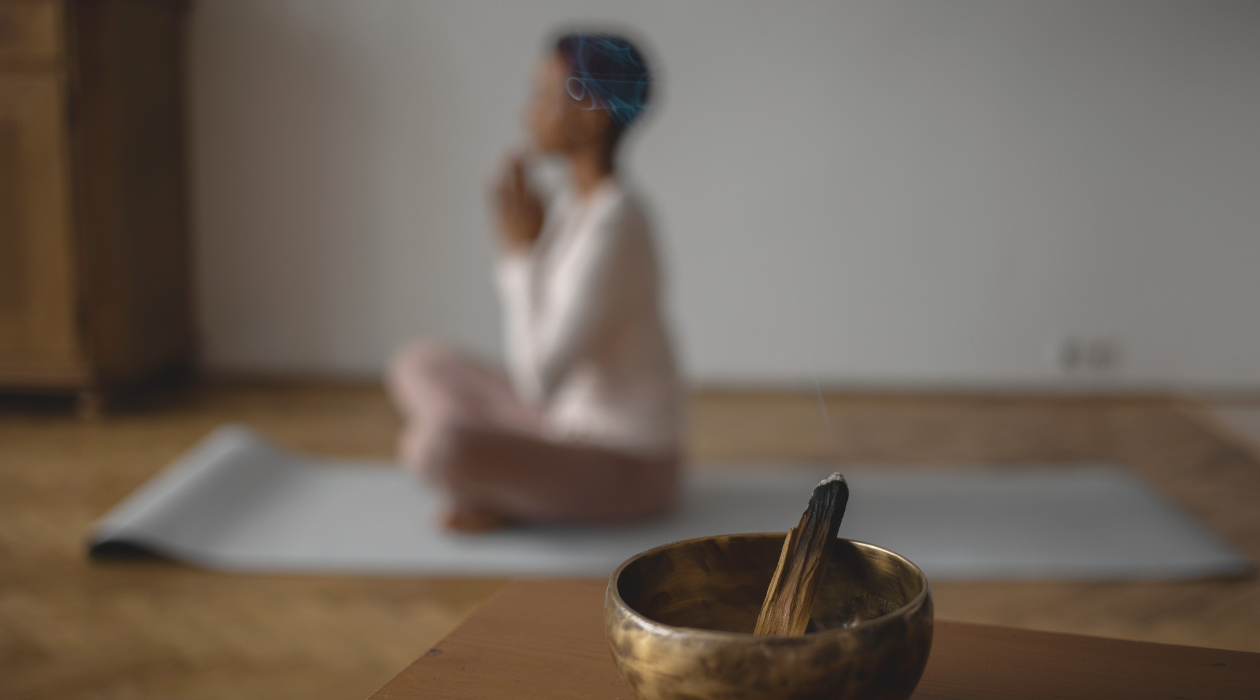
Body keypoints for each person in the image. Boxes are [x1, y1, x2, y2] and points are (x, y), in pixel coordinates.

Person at [387, 32, 681, 531]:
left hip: (628, 466)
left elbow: (537, 378)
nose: (531, 112)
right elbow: (546, 376)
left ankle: (500, 489)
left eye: (545, 97)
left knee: (435, 447)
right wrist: (536, 249)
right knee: (417, 361)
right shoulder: (575, 207)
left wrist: (519, 258)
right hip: (562, 426)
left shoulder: (616, 225)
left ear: (591, 114)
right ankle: (505, 482)